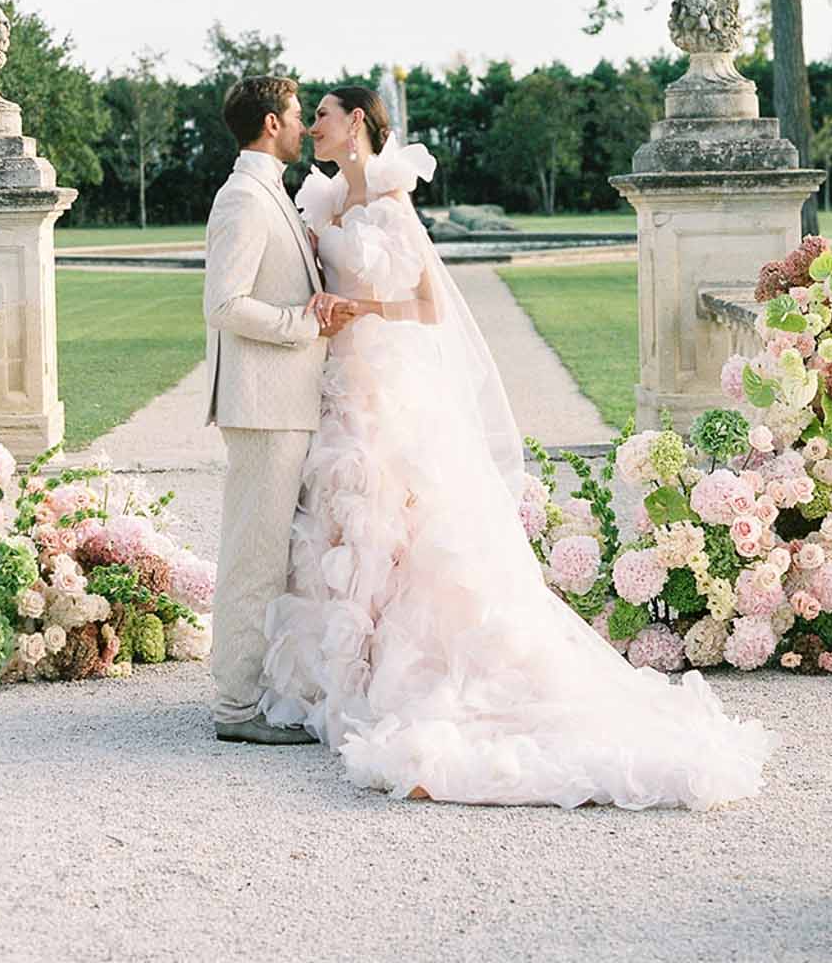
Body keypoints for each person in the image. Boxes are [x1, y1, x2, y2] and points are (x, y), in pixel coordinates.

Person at [257, 85, 777, 809]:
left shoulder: (391, 199)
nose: (311, 125)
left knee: (404, 523)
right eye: (309, 115)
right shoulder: (320, 200)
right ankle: (348, 670)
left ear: (358, 125)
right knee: (346, 526)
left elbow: (429, 306)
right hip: (339, 381)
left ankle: (408, 675)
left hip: (389, 380)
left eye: (322, 114)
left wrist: (359, 307)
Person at [202, 73, 353, 745]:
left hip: (286, 404)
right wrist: (303, 323)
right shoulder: (242, 198)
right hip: (264, 408)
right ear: (270, 124)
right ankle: (236, 708)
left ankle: (259, 688)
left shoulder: (272, 192)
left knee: (275, 556)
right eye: (295, 115)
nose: (301, 126)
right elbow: (225, 304)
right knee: (254, 556)